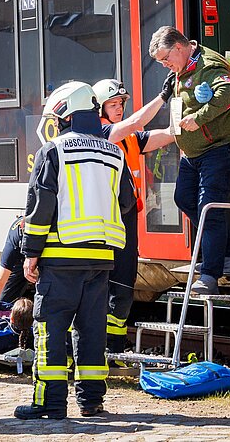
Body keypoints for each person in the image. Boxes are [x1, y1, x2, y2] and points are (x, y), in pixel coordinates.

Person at [15, 81, 136, 420]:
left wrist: (30, 253)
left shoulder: (53, 151)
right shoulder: (114, 152)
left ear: (64, 114)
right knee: (92, 330)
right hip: (101, 260)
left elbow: (39, 209)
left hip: (60, 258)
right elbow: (127, 201)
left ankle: (50, 403)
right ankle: (92, 401)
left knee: (51, 331)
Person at [149, 26, 230, 295]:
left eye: (165, 59)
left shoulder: (209, 64)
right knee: (184, 198)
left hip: (222, 146)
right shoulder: (180, 68)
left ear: (180, 48)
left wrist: (199, 117)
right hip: (194, 153)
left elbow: (229, 93)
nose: (164, 65)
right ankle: (229, 251)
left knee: (209, 207)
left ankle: (209, 276)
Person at [91, 79, 173, 356]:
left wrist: (183, 127)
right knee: (102, 287)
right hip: (105, 221)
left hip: (127, 218)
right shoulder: (100, 131)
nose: (118, 109)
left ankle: (113, 348)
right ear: (100, 107)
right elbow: (137, 123)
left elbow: (155, 136)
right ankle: (95, 347)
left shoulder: (128, 136)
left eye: (121, 104)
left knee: (124, 288)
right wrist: (162, 96)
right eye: (113, 104)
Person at [0, 215, 34, 319]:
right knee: (0, 304)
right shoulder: (16, 235)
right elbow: (0, 279)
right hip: (20, 258)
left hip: (48, 255)